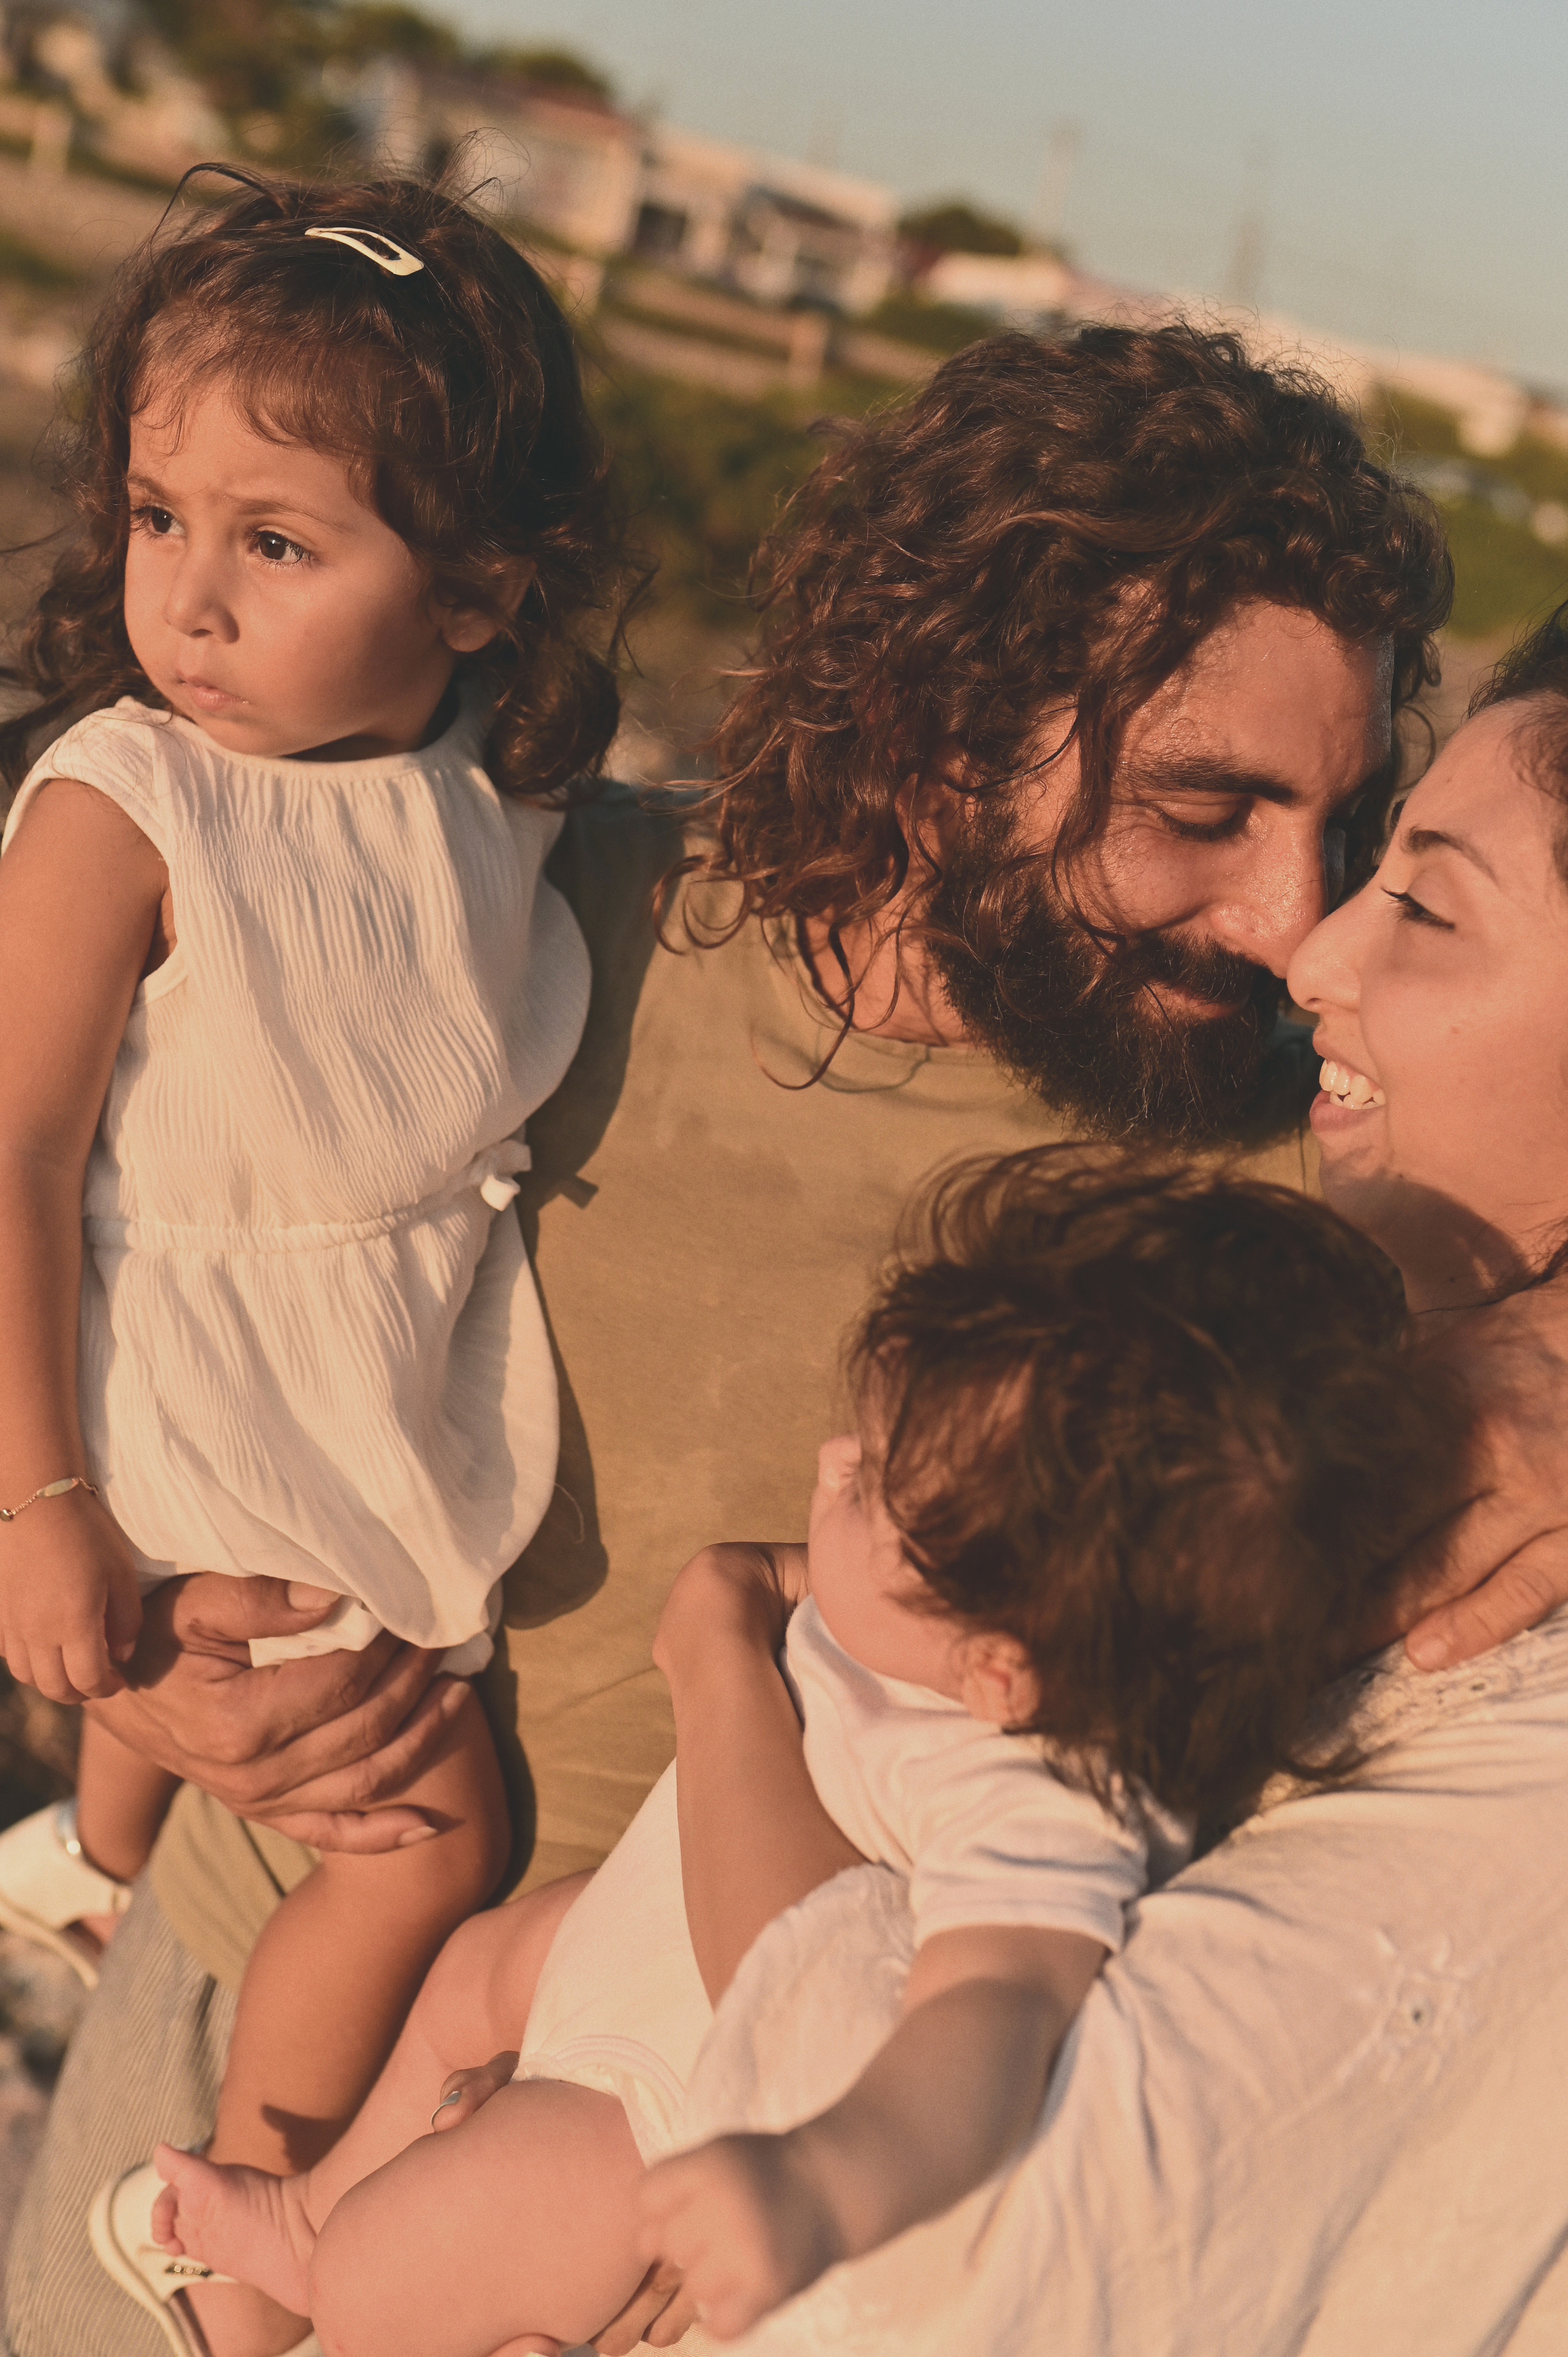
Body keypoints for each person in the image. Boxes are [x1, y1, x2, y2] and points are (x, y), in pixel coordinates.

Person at [9, 320, 1561, 2357]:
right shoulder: (515, 904)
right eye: (1206, 809)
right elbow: (107, 1231)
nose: (1292, 925)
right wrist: (131, 1658)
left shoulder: (1295, 1168)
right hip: (238, 1957)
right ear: (944, 727)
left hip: (652, 2158)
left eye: (1342, 833)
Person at [611, 603, 1568, 2356]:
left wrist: (716, 1675)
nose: (1311, 953)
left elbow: (975, 2260)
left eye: (1421, 900)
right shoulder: (1321, 1360)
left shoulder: (1505, 1647)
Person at [146, 1154, 1474, 2356]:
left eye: (870, 1482)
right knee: (474, 1973)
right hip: (619, 1949)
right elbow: (814, 1600)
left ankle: (344, 2282)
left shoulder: (1036, 1797)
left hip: (663, 2118)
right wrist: (787, 1577)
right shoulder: (939, 1630)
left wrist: (825, 2176)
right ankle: (307, 2217)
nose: (832, 1459)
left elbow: (987, 2021)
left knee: (397, 2278)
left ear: (998, 1670)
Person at [0, 168, 628, 2357]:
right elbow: (12, 1149)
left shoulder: (492, 815)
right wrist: (43, 1509)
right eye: (162, 516)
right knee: (426, 1824)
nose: (189, 594)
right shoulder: (127, 798)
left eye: (275, 541)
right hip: (173, 1400)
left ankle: (80, 1865)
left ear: (479, 592)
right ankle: (244, 2207)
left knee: (246, 1733)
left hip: (325, 1381)